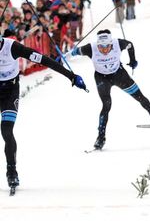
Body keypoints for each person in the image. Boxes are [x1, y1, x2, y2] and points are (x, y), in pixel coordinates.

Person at [1, 33, 86, 191]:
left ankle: (11, 171)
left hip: (9, 91)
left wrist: (71, 76)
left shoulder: (12, 47)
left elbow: (43, 59)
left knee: (6, 130)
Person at [70, 29, 150, 150]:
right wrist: (67, 54)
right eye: (101, 47)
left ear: (111, 43)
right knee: (106, 105)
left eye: (107, 46)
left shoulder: (118, 43)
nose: (104, 50)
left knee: (141, 97)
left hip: (119, 75)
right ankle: (101, 137)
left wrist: (133, 60)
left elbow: (130, 45)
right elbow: (74, 52)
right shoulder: (90, 48)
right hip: (102, 79)